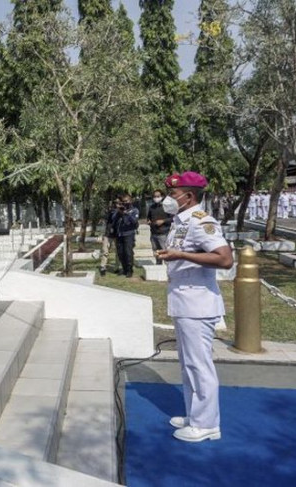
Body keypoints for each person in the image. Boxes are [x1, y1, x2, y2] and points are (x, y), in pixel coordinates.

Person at [156, 171, 233, 443]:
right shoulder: (181, 220)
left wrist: (181, 254)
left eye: (173, 194)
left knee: (199, 365)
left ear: (188, 197)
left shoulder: (202, 222)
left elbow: (225, 259)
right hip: (184, 300)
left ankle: (207, 424)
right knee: (188, 363)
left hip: (198, 303)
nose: (168, 198)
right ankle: (194, 414)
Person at [113, 194, 139, 278]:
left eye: (127, 201)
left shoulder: (134, 210)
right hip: (119, 234)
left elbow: (134, 221)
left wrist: (126, 214)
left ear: (131, 201)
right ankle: (124, 269)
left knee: (128, 253)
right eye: (123, 202)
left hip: (129, 234)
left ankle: (129, 270)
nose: (125, 203)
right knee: (120, 253)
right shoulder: (119, 210)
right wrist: (119, 212)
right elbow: (113, 219)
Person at [146, 190, 172, 265]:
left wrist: (163, 221)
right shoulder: (152, 207)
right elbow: (148, 217)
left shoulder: (167, 206)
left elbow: (172, 218)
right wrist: (148, 221)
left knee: (164, 250)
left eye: (158, 196)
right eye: (154, 196)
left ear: (162, 196)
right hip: (153, 233)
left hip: (163, 233)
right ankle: (158, 265)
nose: (156, 198)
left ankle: (168, 266)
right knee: (156, 250)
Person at [99, 198, 120, 276]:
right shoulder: (110, 211)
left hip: (117, 235)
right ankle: (102, 267)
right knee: (105, 251)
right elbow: (105, 221)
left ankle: (116, 268)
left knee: (118, 253)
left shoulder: (122, 211)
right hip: (108, 235)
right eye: (115, 203)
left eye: (118, 203)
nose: (116, 204)